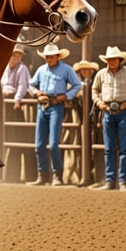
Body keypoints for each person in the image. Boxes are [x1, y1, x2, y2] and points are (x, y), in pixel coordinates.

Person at [27, 43, 81, 186]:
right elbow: (31, 85)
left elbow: (77, 85)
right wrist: (37, 93)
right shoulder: (41, 70)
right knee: (39, 144)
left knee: (54, 143)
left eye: (51, 56)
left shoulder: (66, 70)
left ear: (57, 56)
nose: (49, 58)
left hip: (56, 105)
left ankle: (57, 175)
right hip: (42, 106)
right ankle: (43, 175)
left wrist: (67, 96)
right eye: (47, 56)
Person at [92, 46, 126, 191]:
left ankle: (122, 181)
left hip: (123, 111)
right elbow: (94, 90)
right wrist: (99, 102)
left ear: (120, 60)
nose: (111, 61)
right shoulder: (101, 74)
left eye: (114, 59)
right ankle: (110, 181)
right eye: (109, 59)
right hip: (107, 111)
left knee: (124, 148)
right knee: (108, 149)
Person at [0, 44, 34, 182]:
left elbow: (22, 86)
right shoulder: (4, 69)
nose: (15, 58)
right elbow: (3, 84)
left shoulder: (22, 68)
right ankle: (10, 175)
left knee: (19, 137)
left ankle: (20, 175)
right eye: (13, 55)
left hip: (17, 106)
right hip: (7, 105)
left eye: (18, 55)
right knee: (10, 136)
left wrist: (17, 100)